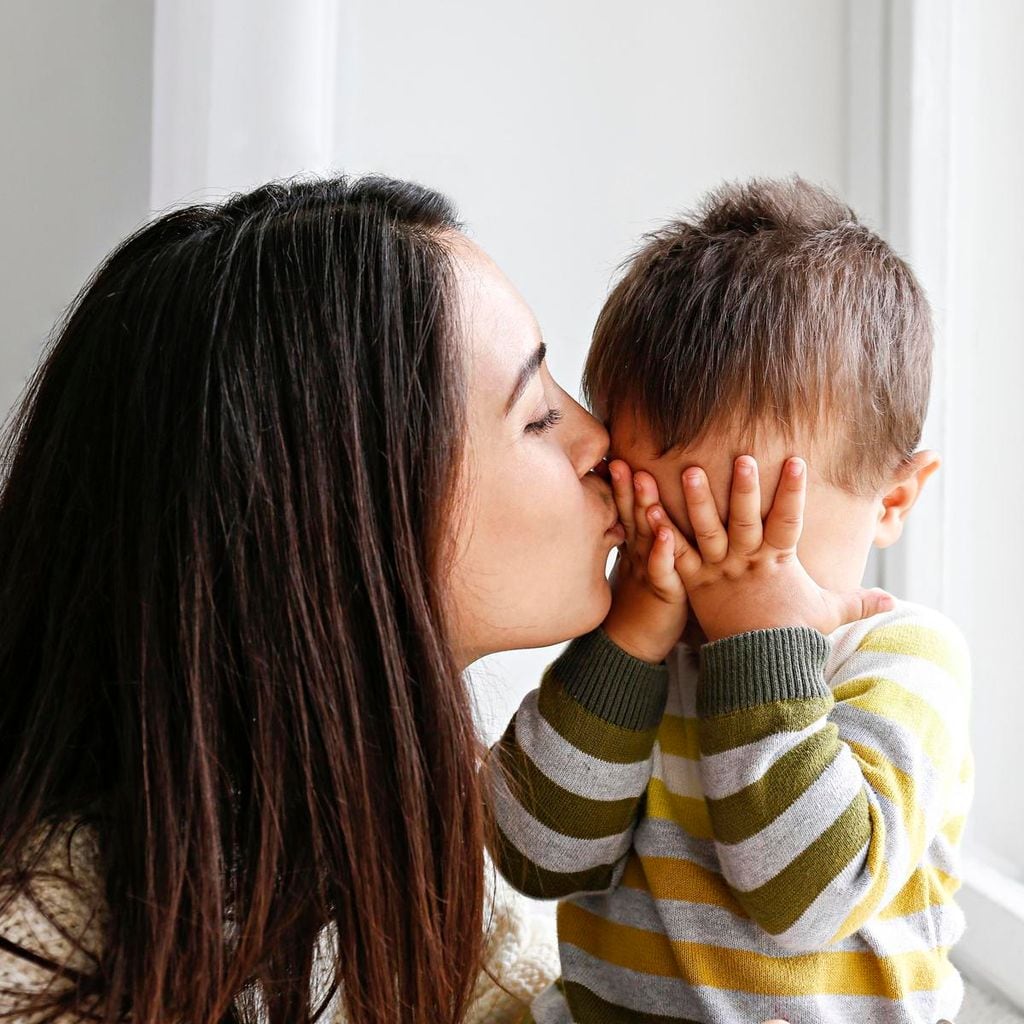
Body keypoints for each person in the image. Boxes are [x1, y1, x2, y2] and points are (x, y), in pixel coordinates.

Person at [0, 175, 618, 1024]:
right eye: (538, 417)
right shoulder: (39, 953)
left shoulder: (419, 868)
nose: (601, 444)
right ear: (342, 507)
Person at [485, 178, 973, 1023]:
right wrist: (629, 639)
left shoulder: (908, 662)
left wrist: (762, 647)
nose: (706, 574)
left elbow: (809, 897)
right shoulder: (637, 652)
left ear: (893, 500)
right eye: (665, 519)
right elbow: (539, 858)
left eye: (747, 533)